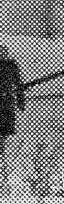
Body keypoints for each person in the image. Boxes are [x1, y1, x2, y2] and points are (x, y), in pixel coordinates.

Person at [0, 45, 25, 183]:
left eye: (4, 53)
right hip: (4, 103)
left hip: (8, 103)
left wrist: (21, 102)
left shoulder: (11, 66)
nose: (2, 55)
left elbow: (18, 84)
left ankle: (4, 162)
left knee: (6, 132)